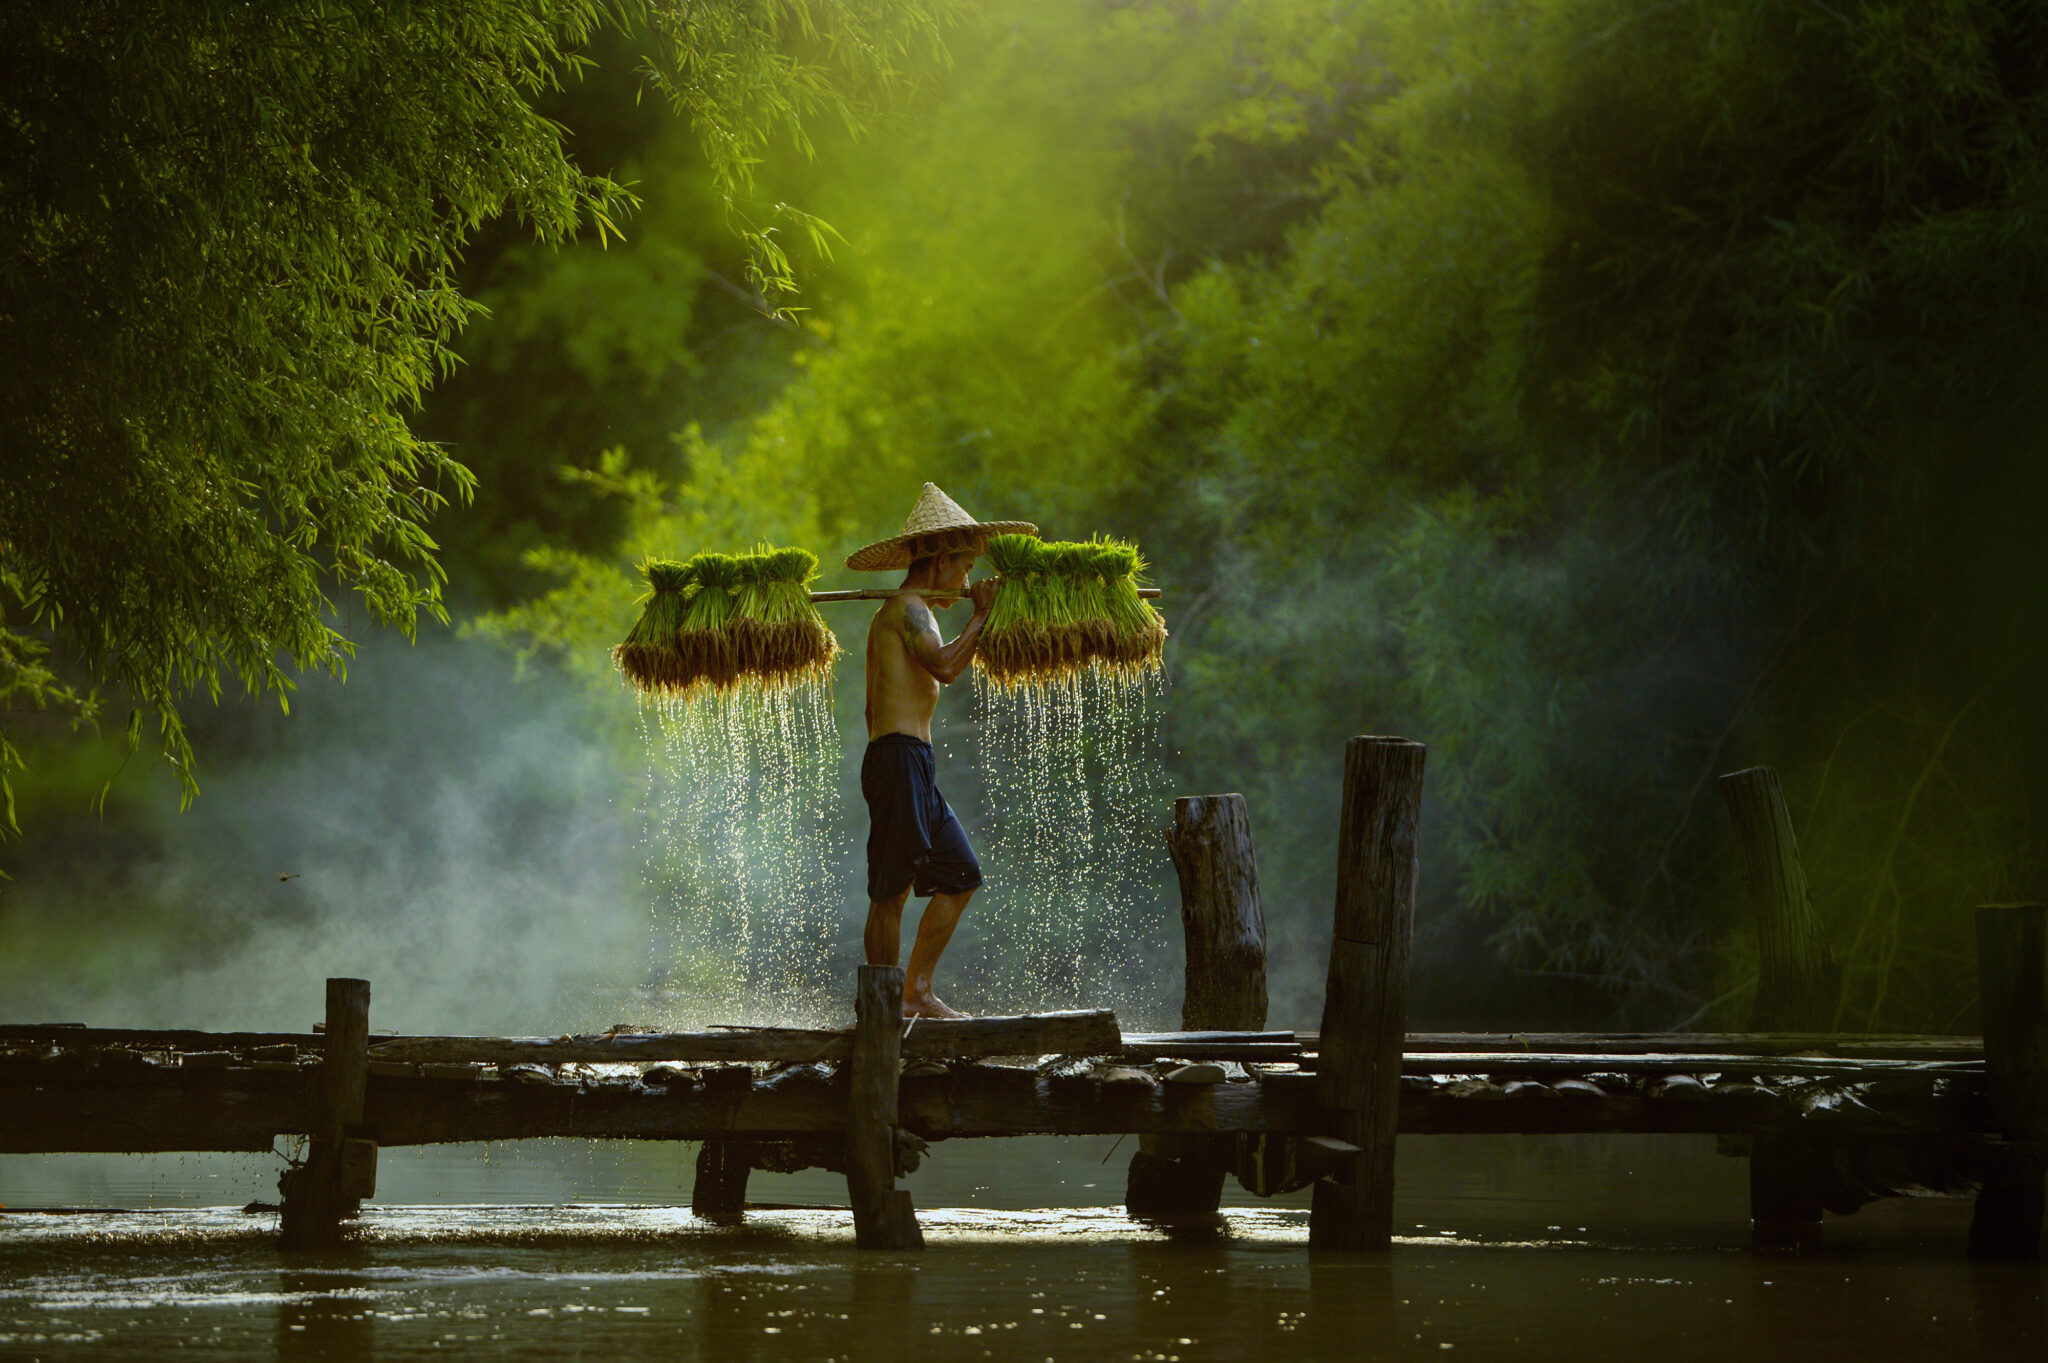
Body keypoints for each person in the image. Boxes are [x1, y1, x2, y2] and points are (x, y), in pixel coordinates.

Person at [844, 483, 1036, 1019]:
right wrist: (981, 616)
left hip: (914, 762)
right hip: (898, 757)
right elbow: (946, 668)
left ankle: (916, 992)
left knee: (960, 874)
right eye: (967, 566)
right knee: (893, 889)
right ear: (942, 560)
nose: (969, 580)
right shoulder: (907, 609)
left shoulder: (911, 611)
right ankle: (883, 1007)